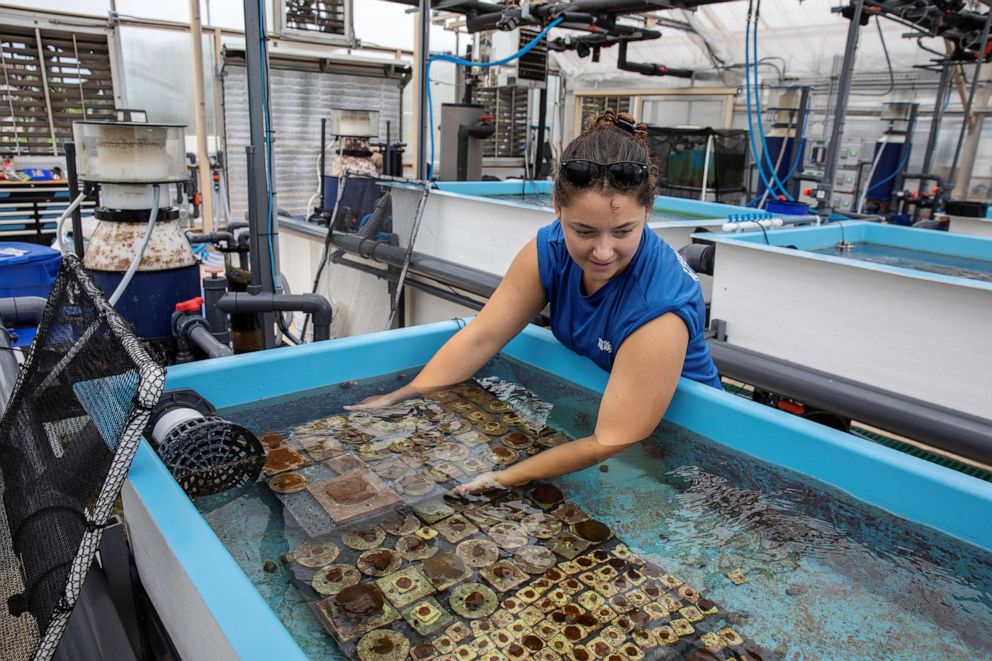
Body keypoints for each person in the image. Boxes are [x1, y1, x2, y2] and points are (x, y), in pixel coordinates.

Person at [346, 109, 721, 494]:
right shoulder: (550, 250)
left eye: (624, 231)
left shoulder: (658, 308)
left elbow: (612, 440)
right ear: (557, 210)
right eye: (584, 231)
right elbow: (482, 338)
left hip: (685, 454)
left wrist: (503, 477)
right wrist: (402, 396)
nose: (604, 252)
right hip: (604, 415)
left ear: (648, 213)